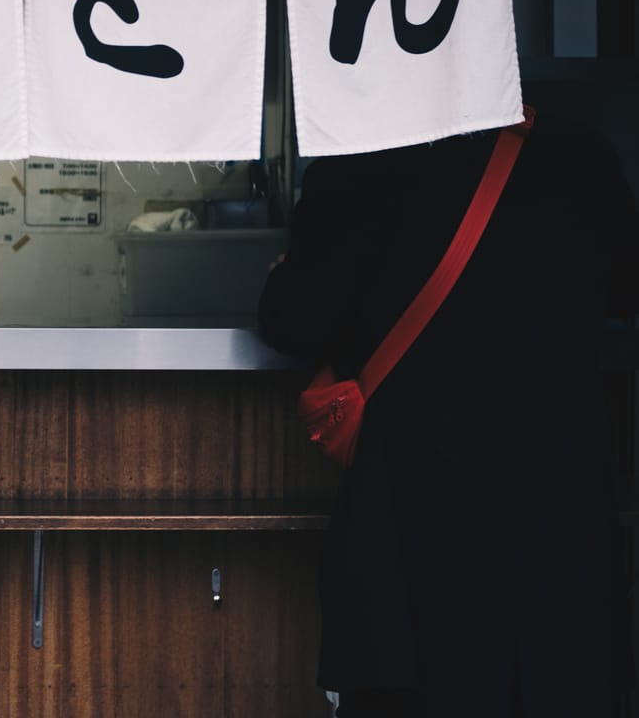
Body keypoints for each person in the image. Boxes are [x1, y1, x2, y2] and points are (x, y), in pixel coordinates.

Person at [257, 112, 639, 718]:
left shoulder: (365, 155)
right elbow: (622, 287)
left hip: (412, 535)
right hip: (555, 526)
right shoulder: (577, 154)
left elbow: (294, 319)